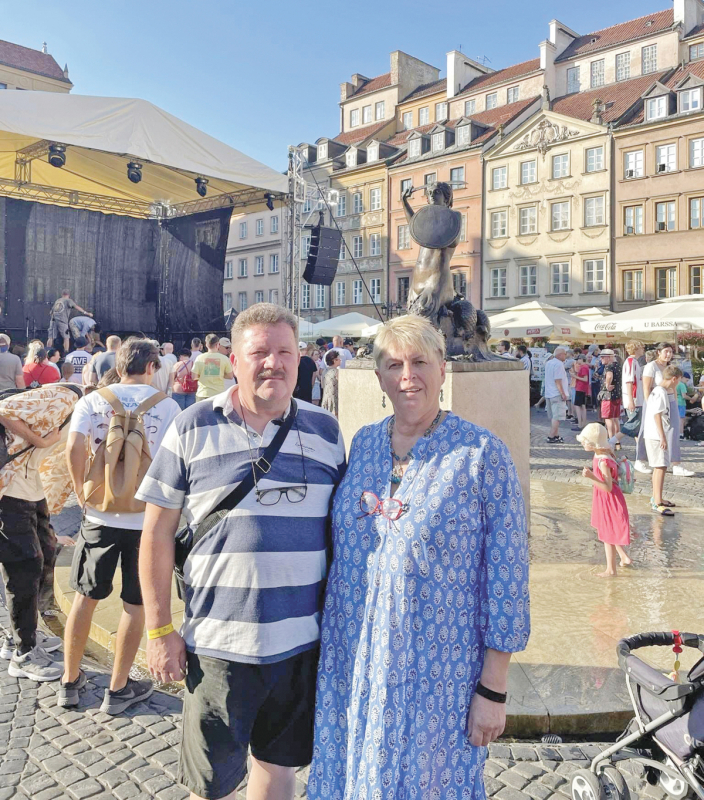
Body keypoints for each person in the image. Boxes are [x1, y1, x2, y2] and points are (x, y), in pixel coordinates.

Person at [306, 314, 529, 800]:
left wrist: (493, 688)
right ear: (380, 376)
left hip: (436, 678)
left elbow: (507, 577)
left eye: (420, 362)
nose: (408, 376)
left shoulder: (481, 455)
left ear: (443, 369)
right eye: (394, 365)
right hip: (351, 664)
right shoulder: (363, 443)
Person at [136, 303, 346, 800]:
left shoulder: (327, 431)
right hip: (218, 645)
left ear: (300, 360)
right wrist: (160, 629)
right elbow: (155, 535)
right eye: (259, 353)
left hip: (300, 643)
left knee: (278, 771)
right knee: (211, 787)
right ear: (235, 361)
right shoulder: (191, 426)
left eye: (283, 352)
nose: (272, 363)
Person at [59, 339, 180, 712]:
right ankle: (118, 687)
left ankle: (70, 680)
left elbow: (74, 448)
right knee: (135, 602)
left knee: (85, 596)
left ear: (120, 363)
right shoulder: (168, 406)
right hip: (148, 521)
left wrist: (82, 491)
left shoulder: (93, 399)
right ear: (152, 367)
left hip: (99, 515)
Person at [0, 383, 84, 680]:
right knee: (26, 566)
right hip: (8, 492)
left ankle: (25, 634)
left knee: (47, 552)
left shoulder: (86, 410)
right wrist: (41, 440)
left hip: (30, 490)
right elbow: (3, 411)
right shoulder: (68, 396)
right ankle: (23, 653)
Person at [577, 423, 631, 577]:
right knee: (609, 529)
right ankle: (624, 557)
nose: (582, 443)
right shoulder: (605, 452)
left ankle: (611, 570)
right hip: (607, 498)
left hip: (609, 498)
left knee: (607, 534)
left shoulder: (602, 461)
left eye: (585, 441)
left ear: (594, 443)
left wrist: (591, 476)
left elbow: (607, 487)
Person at [639, 342, 694, 478]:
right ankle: (640, 459)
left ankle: (676, 463)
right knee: (647, 430)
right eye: (666, 351)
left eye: (670, 352)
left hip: (670, 400)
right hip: (654, 400)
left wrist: (675, 403)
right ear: (659, 352)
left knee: (673, 430)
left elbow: (674, 387)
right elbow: (646, 388)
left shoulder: (670, 367)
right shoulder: (651, 367)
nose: (668, 354)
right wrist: (649, 404)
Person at [642, 365, 683, 515]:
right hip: (655, 435)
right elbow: (657, 415)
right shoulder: (660, 392)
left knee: (660, 466)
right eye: (678, 380)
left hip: (654, 434)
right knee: (660, 467)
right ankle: (657, 501)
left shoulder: (659, 391)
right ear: (674, 379)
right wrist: (662, 436)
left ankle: (657, 497)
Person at [191, 333, 234, 400]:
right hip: (218, 394)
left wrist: (204, 375)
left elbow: (194, 377)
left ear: (206, 344)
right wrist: (220, 374)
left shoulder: (199, 358)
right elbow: (230, 376)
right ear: (218, 344)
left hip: (202, 393)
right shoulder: (224, 358)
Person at [544, 347, 569, 443]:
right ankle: (551, 436)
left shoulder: (549, 363)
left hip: (549, 393)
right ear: (560, 355)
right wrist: (562, 393)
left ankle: (556, 435)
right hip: (557, 394)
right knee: (557, 417)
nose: (565, 356)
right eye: (564, 354)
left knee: (554, 416)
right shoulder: (559, 364)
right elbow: (558, 380)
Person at [598, 349, 622, 440]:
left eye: (602, 357)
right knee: (616, 418)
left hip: (608, 396)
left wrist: (607, 385)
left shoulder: (609, 366)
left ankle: (611, 439)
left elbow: (609, 376)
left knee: (608, 418)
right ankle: (617, 441)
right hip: (617, 394)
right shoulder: (619, 365)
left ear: (609, 357)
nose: (601, 359)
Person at [571, 355, 590, 431]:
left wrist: (575, 376)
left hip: (580, 388)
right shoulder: (585, 367)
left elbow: (585, 379)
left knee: (578, 405)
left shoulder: (584, 367)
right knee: (582, 406)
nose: (577, 361)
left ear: (581, 359)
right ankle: (583, 423)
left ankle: (580, 424)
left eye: (578, 360)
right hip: (582, 388)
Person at [321, 349, 341, 417]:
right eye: (339, 359)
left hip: (325, 398)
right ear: (334, 360)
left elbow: (322, 385)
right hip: (334, 399)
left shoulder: (324, 371)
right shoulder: (337, 372)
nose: (340, 360)